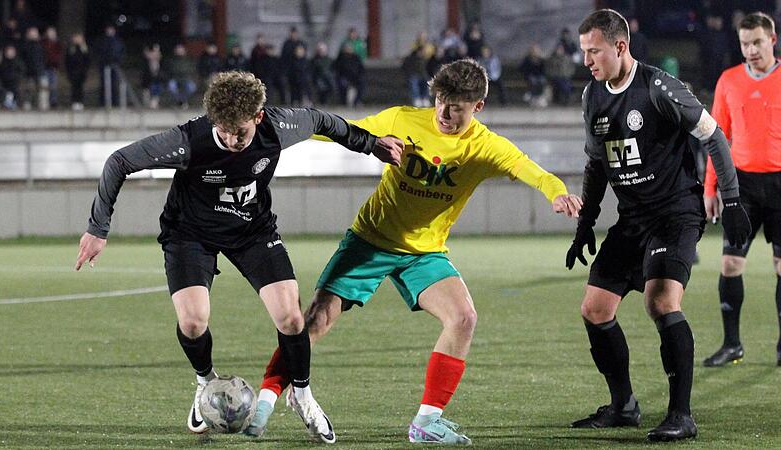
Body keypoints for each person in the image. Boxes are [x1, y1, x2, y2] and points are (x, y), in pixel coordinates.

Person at [245, 58, 583, 444]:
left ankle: (426, 421)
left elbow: (532, 170)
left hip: (424, 253)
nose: (443, 112)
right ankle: (265, 401)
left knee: (463, 317)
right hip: (370, 240)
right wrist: (274, 124)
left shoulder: (486, 147)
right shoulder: (402, 119)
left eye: (456, 106)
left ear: (478, 107)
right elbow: (339, 131)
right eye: (439, 100)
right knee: (316, 319)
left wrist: (557, 193)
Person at [74, 71, 403, 443]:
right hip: (189, 235)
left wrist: (370, 143)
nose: (232, 140)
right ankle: (205, 385)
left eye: (241, 132)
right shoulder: (188, 141)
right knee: (194, 321)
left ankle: (302, 395)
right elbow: (119, 161)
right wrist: (98, 228)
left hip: (252, 231)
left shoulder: (278, 127)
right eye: (225, 130)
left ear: (259, 117)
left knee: (291, 317)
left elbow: (322, 121)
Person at [566, 9, 750, 442]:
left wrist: (733, 198)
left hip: (675, 213)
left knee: (661, 301)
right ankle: (624, 405)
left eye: (594, 51)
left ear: (620, 47)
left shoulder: (659, 86)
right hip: (632, 218)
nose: (587, 61)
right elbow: (596, 164)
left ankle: (681, 415)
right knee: (595, 308)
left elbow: (713, 135)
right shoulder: (592, 96)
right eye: (584, 52)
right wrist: (585, 224)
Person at [702, 12, 781, 368]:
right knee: (731, 263)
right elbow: (716, 138)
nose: (749, 50)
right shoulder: (728, 81)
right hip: (742, 186)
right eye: (744, 44)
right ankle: (732, 344)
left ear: (772, 40)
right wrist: (710, 187)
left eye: (756, 42)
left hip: (780, 185)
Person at [65, 32, 91, 111]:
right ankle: (74, 102)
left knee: (80, 87)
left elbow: (88, 60)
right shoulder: (70, 49)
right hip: (73, 72)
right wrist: (69, 71)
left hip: (82, 72)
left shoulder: (84, 48)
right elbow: (67, 60)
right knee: (74, 88)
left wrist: (85, 69)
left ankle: (80, 102)